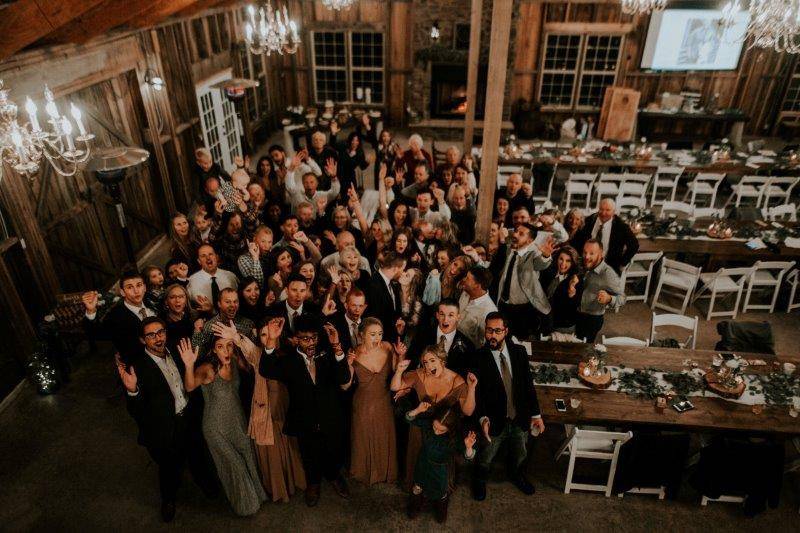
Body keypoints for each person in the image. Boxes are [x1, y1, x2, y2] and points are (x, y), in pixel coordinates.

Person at [119, 317, 218, 522]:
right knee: (169, 469)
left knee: (198, 456)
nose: (158, 338)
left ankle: (208, 487)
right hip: (165, 429)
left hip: (188, 418)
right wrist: (132, 391)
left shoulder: (177, 349)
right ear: (142, 339)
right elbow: (136, 411)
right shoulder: (137, 368)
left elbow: (194, 373)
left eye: (161, 332)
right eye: (151, 335)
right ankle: (168, 500)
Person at [259, 316, 352, 507]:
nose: (310, 342)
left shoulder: (328, 354)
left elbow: (344, 377)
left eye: (314, 338)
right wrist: (271, 340)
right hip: (303, 419)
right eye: (305, 338)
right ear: (296, 339)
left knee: (333, 450)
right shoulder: (289, 360)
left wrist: (337, 347)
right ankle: (313, 483)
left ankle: (334, 476)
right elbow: (266, 370)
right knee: (309, 454)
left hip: (331, 416)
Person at [212, 320, 307, 503]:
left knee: (289, 444)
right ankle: (278, 489)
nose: (269, 337)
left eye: (272, 333)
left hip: (284, 409)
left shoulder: (289, 356)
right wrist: (236, 337)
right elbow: (247, 348)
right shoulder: (258, 355)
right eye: (263, 334)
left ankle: (293, 481)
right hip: (264, 411)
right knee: (270, 450)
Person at [179, 336, 266, 516]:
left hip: (237, 420)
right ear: (213, 350)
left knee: (248, 457)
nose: (226, 351)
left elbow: (255, 366)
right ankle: (246, 506)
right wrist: (189, 365)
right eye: (220, 347)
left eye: (229, 346)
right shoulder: (208, 369)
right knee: (235, 466)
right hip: (216, 427)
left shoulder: (234, 361)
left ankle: (258, 495)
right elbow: (189, 386)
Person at [472, 312, 543, 501]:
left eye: (497, 331)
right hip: (493, 420)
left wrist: (536, 415)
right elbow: (476, 395)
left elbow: (528, 385)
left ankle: (515, 474)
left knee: (520, 452)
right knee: (486, 455)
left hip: (519, 417)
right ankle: (479, 479)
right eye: (489, 330)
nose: (492, 335)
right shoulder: (478, 357)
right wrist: (482, 418)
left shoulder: (519, 353)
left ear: (506, 331)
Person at [390, 346, 477, 489]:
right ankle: (415, 490)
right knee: (417, 460)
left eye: (432, 360)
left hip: (441, 431)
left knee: (437, 467)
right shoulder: (419, 374)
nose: (429, 366)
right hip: (419, 428)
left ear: (442, 360)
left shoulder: (457, 380)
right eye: (425, 362)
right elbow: (395, 387)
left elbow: (468, 411)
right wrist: (399, 370)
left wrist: (472, 388)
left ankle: (438, 492)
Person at [345, 317, 401, 485]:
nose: (377, 338)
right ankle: (365, 472)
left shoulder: (388, 347)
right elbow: (345, 386)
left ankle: (384, 472)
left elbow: (395, 372)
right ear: (361, 335)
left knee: (384, 436)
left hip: (384, 402)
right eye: (373, 334)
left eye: (380, 334)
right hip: (363, 404)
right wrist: (348, 365)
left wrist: (400, 354)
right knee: (364, 438)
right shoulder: (354, 354)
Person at [405, 401, 477, 523]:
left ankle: (441, 512)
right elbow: (409, 419)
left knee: (441, 493)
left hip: (440, 471)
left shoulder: (455, 439)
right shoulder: (428, 425)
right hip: (423, 464)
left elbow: (468, 457)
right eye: (435, 427)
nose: (436, 432)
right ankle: (414, 507)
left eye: (441, 430)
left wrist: (469, 447)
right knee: (417, 487)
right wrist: (417, 410)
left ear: (450, 429)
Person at [491, 222, 554, 340]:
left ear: (530, 240)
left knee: (521, 341)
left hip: (522, 310)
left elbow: (540, 264)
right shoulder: (508, 250)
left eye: (521, 234)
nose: (515, 235)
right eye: (516, 231)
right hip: (503, 306)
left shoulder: (532, 255)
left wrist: (546, 256)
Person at [82, 269, 157, 364]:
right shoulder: (115, 316)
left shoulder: (153, 302)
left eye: (139, 285)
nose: (136, 291)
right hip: (140, 365)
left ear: (145, 287)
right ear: (122, 292)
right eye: (130, 287)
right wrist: (91, 311)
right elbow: (96, 333)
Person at [575, 240, 626, 343]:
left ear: (601, 254)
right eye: (585, 252)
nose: (586, 256)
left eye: (592, 253)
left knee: (583, 348)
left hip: (591, 319)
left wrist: (609, 298)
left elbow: (623, 298)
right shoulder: (582, 263)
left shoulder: (608, 274)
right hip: (576, 312)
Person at [572, 198, 639, 275]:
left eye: (607, 210)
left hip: (608, 268)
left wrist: (622, 264)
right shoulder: (589, 221)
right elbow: (576, 240)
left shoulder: (621, 227)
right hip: (586, 265)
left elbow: (634, 245)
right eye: (601, 209)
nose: (603, 213)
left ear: (614, 212)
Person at [408, 298, 475, 376]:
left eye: (451, 315)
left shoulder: (468, 346)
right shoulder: (421, 335)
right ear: (437, 315)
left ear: (458, 317)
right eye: (442, 314)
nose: (445, 320)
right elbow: (411, 363)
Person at [191, 287, 255, 355]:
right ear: (219, 304)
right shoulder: (209, 326)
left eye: (235, 301)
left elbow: (255, 353)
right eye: (228, 302)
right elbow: (199, 354)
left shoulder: (248, 324)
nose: (233, 305)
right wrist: (197, 332)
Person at [364, 252, 407, 343]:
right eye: (403, 269)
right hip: (379, 342)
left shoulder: (393, 284)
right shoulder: (373, 285)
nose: (403, 272)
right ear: (395, 269)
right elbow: (374, 318)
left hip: (391, 340)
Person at [540, 246, 583, 335]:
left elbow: (575, 307)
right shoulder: (549, 272)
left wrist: (571, 292)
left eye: (568, 261)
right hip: (544, 322)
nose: (563, 264)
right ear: (557, 259)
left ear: (573, 263)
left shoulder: (576, 280)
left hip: (563, 327)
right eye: (561, 259)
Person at [266, 273, 322, 338]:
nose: (298, 295)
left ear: (306, 291)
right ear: (286, 291)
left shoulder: (314, 309)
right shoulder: (274, 310)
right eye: (294, 290)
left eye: (302, 291)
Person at [186, 244, 239, 312]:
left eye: (210, 254)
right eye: (203, 256)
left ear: (216, 257)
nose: (208, 258)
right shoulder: (192, 282)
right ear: (199, 261)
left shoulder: (231, 276)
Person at [457, 265, 498, 349]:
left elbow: (484, 343)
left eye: (468, 278)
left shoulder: (489, 312)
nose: (464, 280)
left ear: (477, 286)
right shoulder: (465, 292)